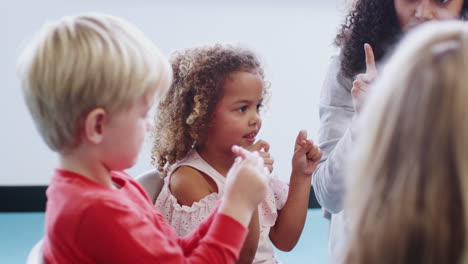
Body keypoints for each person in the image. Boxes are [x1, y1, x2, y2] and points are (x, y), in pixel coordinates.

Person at [17, 13, 270, 263]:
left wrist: (229, 199)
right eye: (141, 114)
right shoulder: (96, 213)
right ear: (97, 125)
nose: (149, 126)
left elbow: (174, 250)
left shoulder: (115, 184)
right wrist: (238, 204)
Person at [312, 0, 467, 262]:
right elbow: (329, 196)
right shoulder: (352, 68)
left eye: (441, 0)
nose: (424, 12)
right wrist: (365, 121)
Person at [149, 44, 322, 264]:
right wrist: (246, 190)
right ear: (200, 115)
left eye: (257, 106)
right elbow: (239, 259)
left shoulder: (247, 164)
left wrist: (301, 175)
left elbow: (285, 241)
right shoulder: (190, 179)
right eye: (242, 108)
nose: (255, 119)